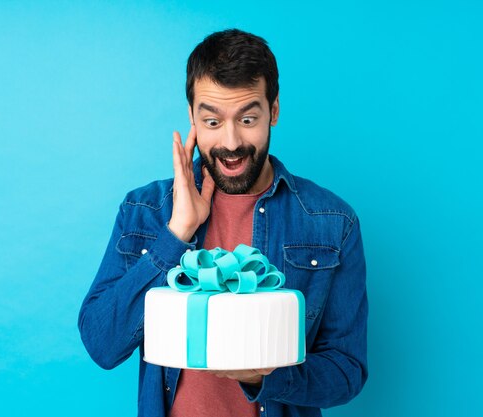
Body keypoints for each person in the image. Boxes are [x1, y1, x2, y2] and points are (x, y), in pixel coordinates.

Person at [78, 28, 368, 417]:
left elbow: (347, 371)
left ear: (274, 111)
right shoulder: (144, 210)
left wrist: (263, 377)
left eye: (247, 118)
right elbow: (102, 344)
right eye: (212, 122)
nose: (231, 142)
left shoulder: (332, 223)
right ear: (192, 116)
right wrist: (175, 235)